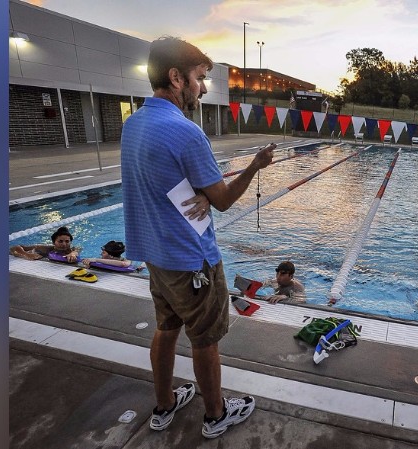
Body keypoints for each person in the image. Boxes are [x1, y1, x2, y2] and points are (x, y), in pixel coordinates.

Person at [120, 36, 275, 439]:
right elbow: (223, 200)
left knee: (166, 328)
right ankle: (215, 414)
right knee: (205, 340)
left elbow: (159, 183)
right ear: (176, 78)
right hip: (191, 260)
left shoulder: (133, 124)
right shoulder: (186, 132)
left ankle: (164, 404)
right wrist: (255, 166)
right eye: (200, 78)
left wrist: (202, 193)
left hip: (154, 254)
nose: (203, 89)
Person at [9, 226, 80, 262]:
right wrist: (26, 254)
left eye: (67, 241)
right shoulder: (45, 248)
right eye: (60, 241)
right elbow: (14, 248)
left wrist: (73, 254)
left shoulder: (73, 249)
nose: (64, 244)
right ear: (53, 242)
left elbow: (77, 250)